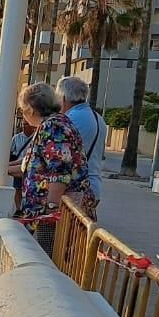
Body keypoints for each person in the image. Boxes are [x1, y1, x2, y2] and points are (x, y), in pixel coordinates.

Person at [13, 82, 92, 219]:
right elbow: (35, 163)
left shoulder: (53, 127)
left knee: (47, 241)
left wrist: (50, 211)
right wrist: (1, 168)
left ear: (31, 109)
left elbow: (59, 172)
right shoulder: (53, 124)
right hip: (45, 212)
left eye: (21, 110)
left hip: (55, 217)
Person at [57, 75, 104, 215]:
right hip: (93, 187)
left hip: (75, 191)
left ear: (63, 98)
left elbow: (58, 157)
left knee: (63, 235)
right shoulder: (97, 118)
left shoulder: (69, 119)